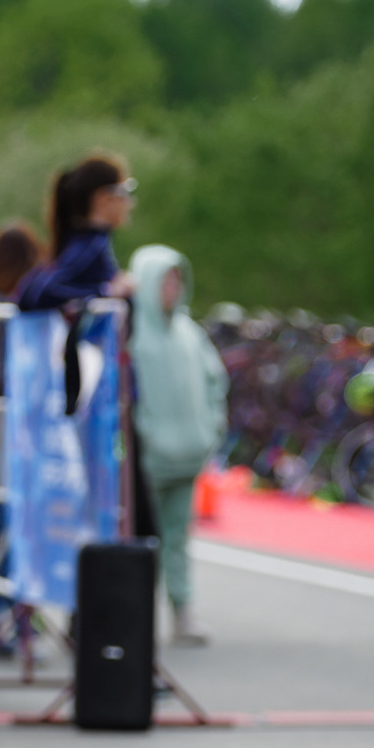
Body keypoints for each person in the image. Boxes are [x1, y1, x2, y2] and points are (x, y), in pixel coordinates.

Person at [128, 246, 228, 644]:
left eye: (177, 280)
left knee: (178, 537)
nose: (172, 288)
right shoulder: (132, 333)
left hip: (188, 455)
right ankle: (137, 616)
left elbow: (214, 381)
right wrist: (144, 434)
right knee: (141, 542)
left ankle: (182, 610)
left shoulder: (190, 332)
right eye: (164, 279)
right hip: (149, 460)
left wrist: (211, 428)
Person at [16, 154, 137, 311]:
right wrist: (107, 291)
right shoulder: (90, 245)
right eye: (124, 191)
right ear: (103, 198)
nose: (130, 202)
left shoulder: (91, 241)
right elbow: (39, 293)